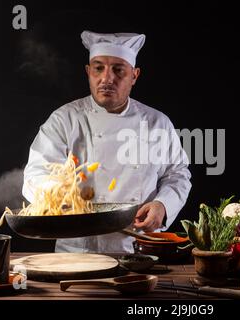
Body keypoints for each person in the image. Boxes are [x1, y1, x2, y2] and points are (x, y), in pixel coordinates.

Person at [22, 31, 192, 253]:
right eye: (98, 68)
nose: (107, 79)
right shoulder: (64, 120)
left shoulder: (157, 123)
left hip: (140, 251)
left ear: (134, 75)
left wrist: (163, 205)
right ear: (88, 72)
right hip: (77, 252)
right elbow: (36, 174)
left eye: (118, 70)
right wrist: (58, 194)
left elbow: (178, 174)